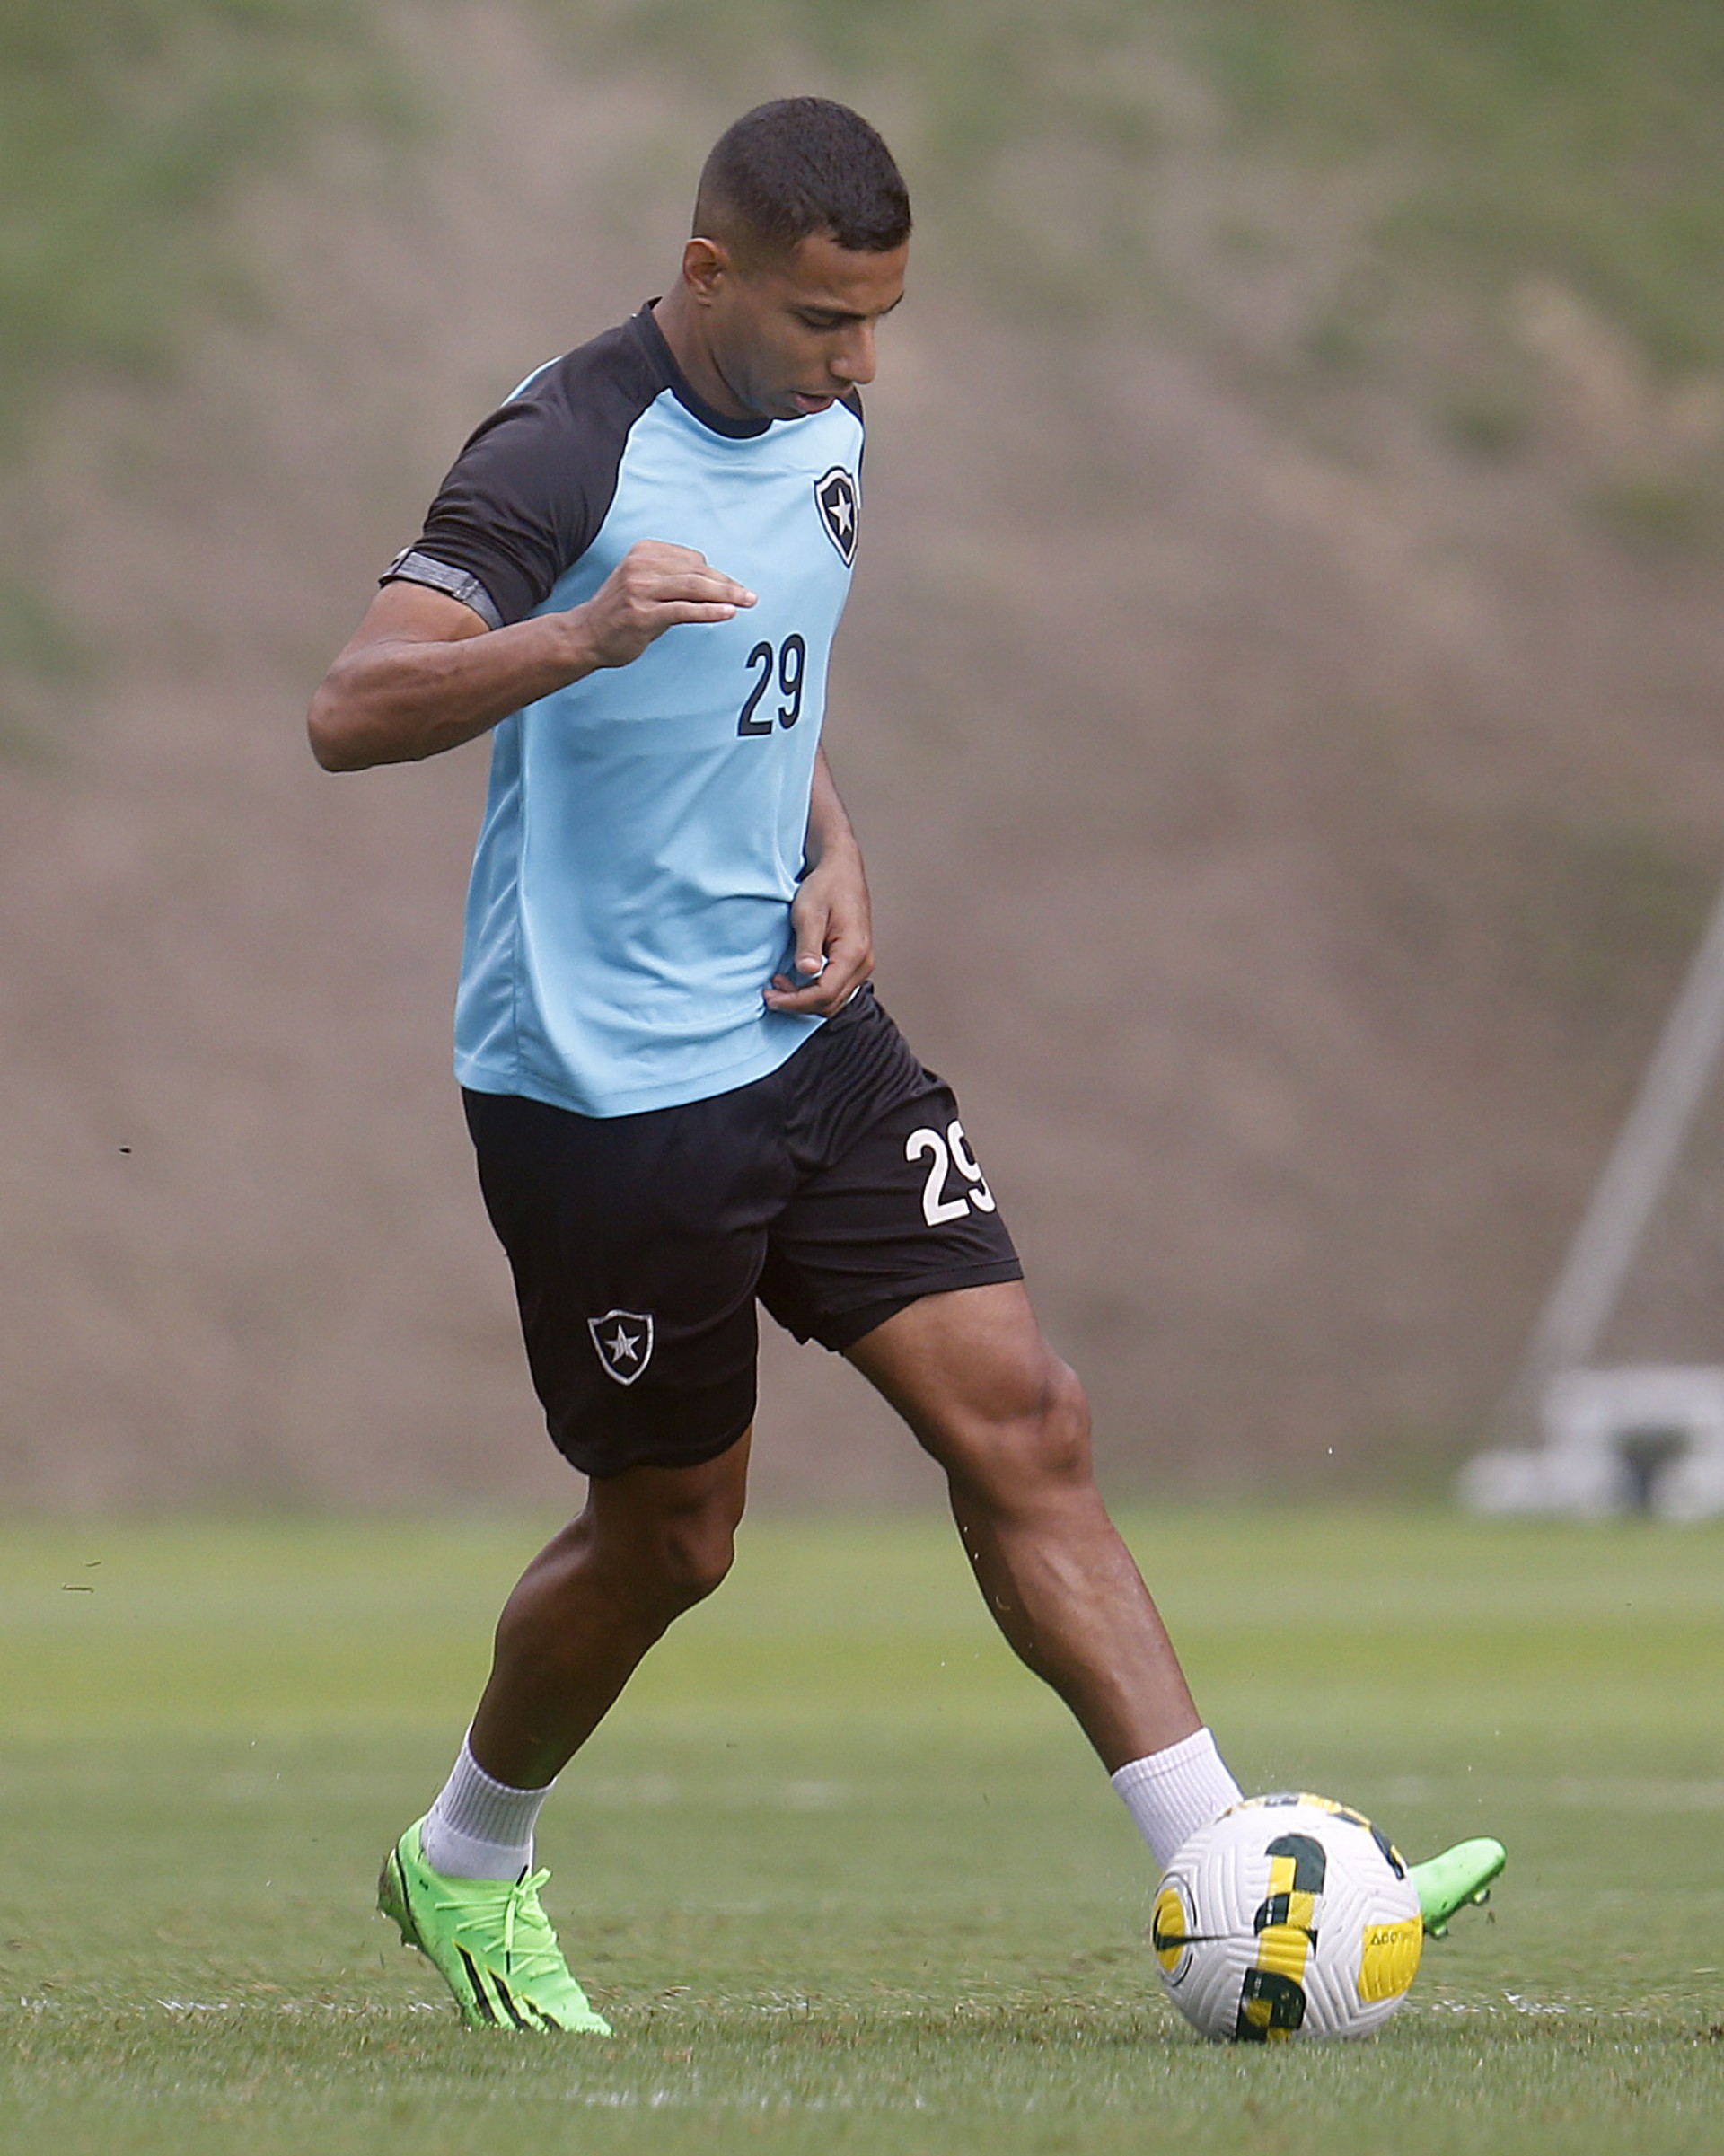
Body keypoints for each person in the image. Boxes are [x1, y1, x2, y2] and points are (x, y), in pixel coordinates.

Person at [308, 96, 1501, 2035]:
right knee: (674, 1540)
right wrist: (579, 635)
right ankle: (463, 1854)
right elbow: (352, 705)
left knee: (1028, 1420)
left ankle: (1241, 1871)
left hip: (805, 1030)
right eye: (821, 319)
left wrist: (832, 842)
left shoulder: (826, 419)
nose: (860, 362)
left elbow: (764, 680)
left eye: (879, 319)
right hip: (612, 1095)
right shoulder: (564, 446)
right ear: (708, 274)